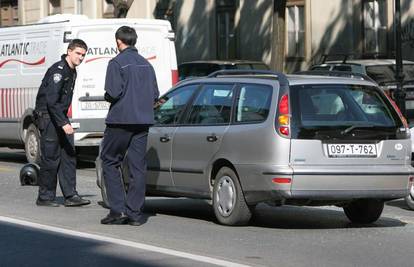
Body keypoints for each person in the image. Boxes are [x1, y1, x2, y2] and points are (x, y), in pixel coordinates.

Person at [100, 26, 159, 226]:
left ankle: (117, 210)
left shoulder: (116, 62)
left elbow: (113, 93)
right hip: (143, 121)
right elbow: (155, 95)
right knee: (137, 167)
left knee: (109, 160)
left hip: (120, 120)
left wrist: (108, 96)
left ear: (118, 42)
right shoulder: (147, 65)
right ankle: (135, 213)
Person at [34, 39, 91, 207]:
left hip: (59, 116)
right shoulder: (58, 70)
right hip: (49, 117)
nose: (80, 57)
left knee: (69, 155)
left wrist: (64, 120)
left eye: (83, 55)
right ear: (69, 51)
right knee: (51, 158)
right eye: (78, 53)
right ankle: (45, 197)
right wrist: (63, 123)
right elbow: (52, 101)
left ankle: (70, 195)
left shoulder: (72, 71)